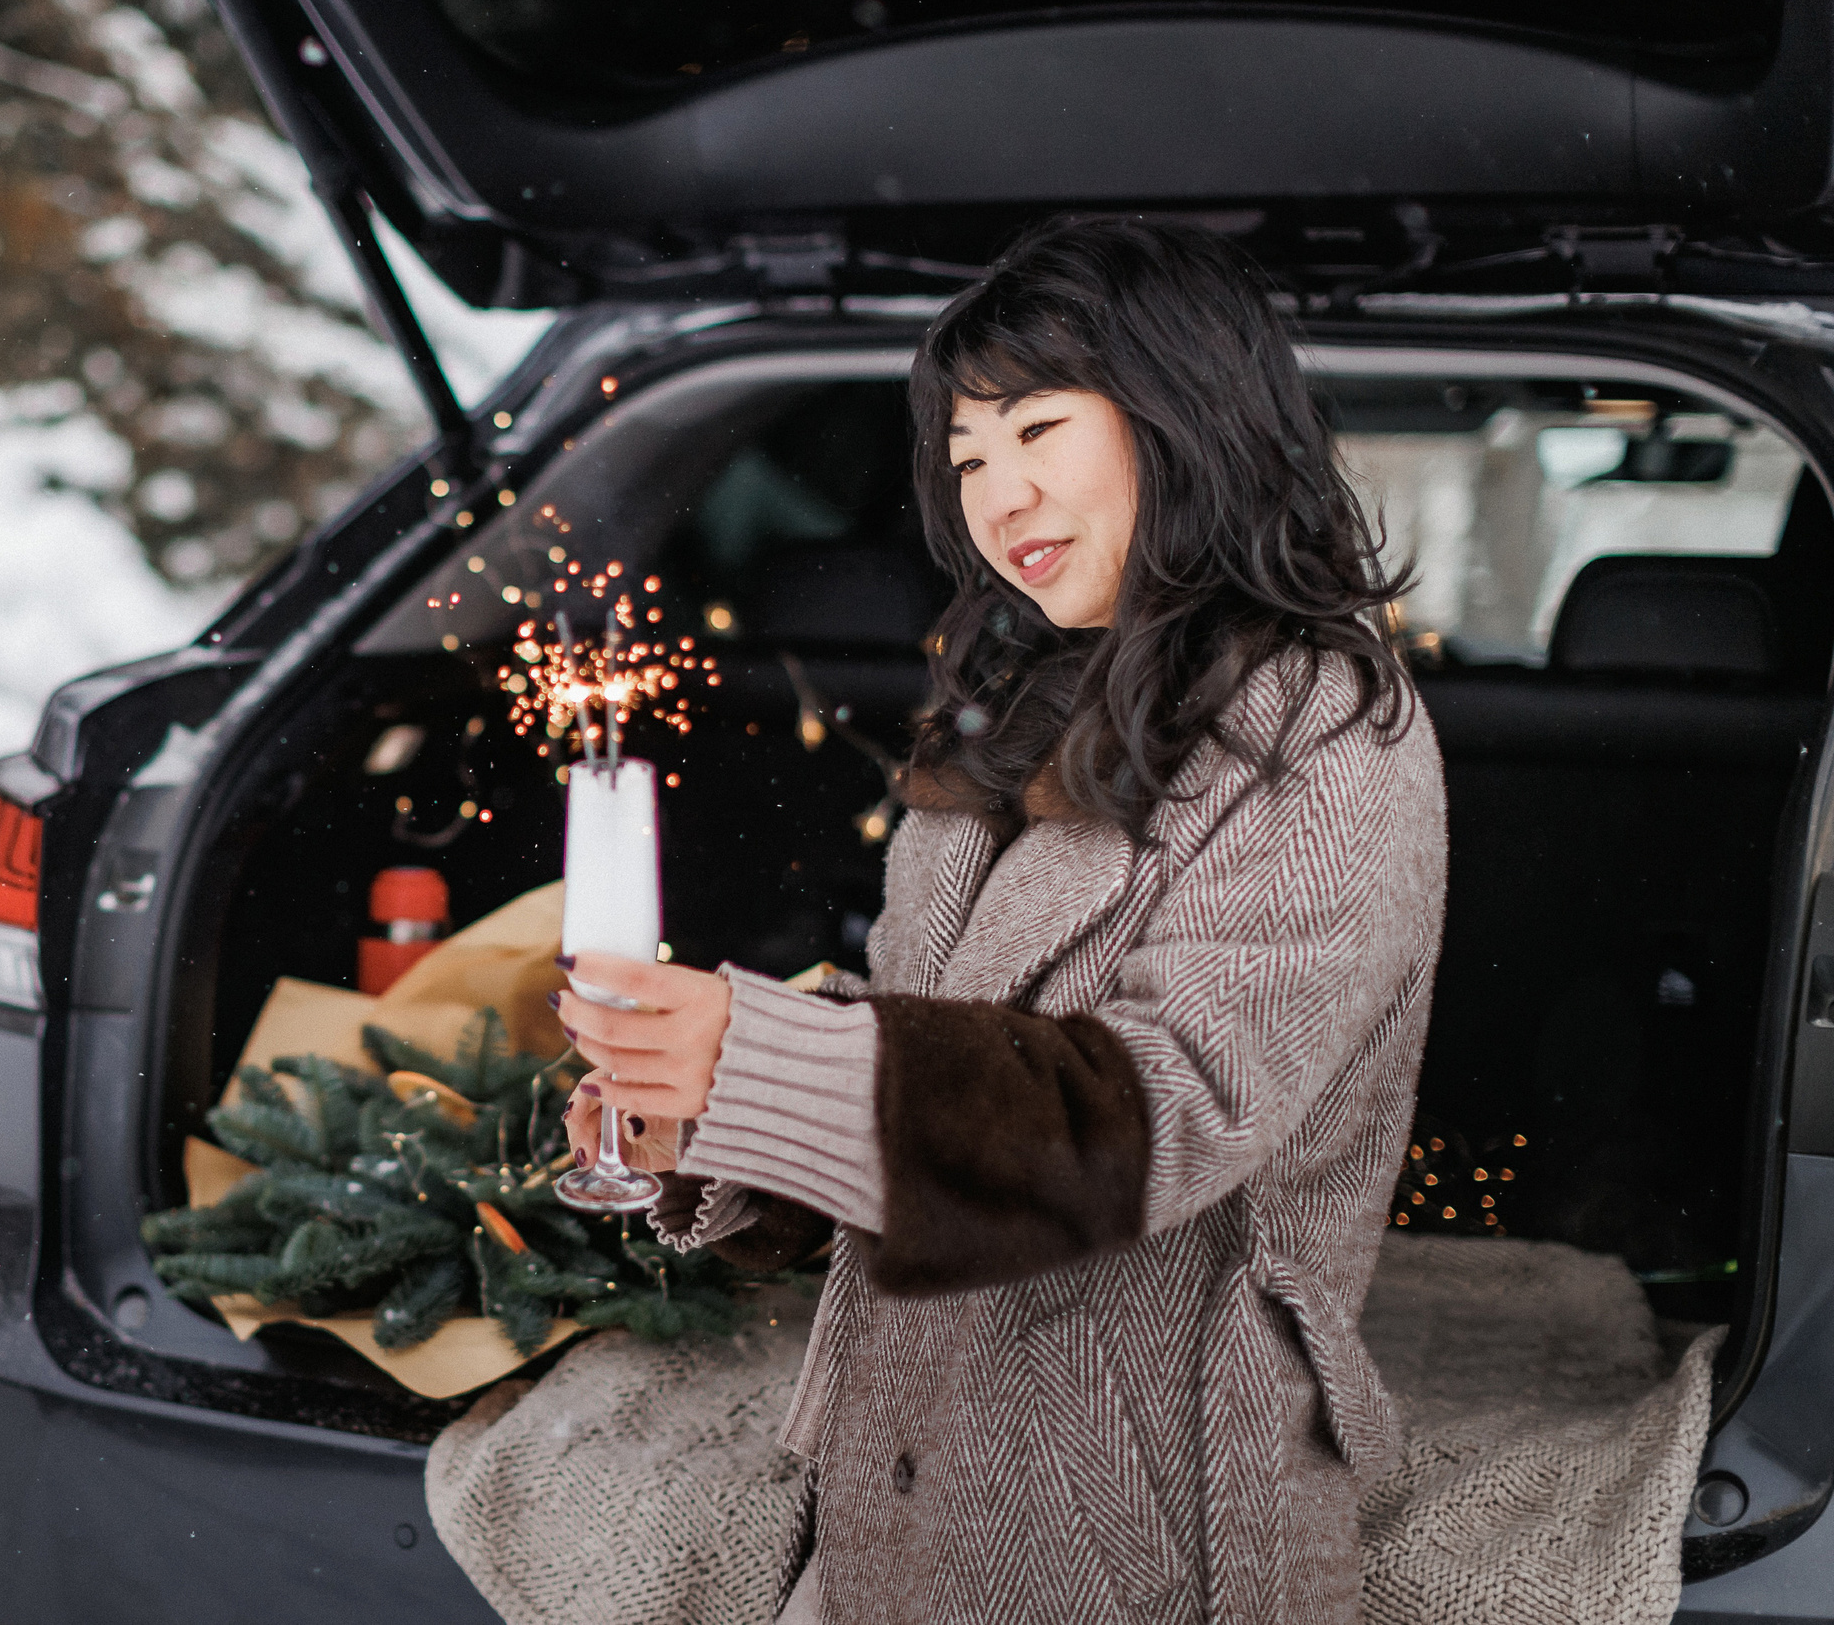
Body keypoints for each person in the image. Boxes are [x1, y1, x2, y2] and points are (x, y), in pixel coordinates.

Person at [558, 217, 1446, 1625]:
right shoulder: (1011, 709)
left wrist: (771, 1058)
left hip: (1136, 1515)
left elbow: (1163, 1109)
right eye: (967, 457)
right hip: (897, 1477)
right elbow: (925, 1067)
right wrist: (718, 1123)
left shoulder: (1325, 729)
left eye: (1037, 429)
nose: (997, 493)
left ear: (1187, 416)